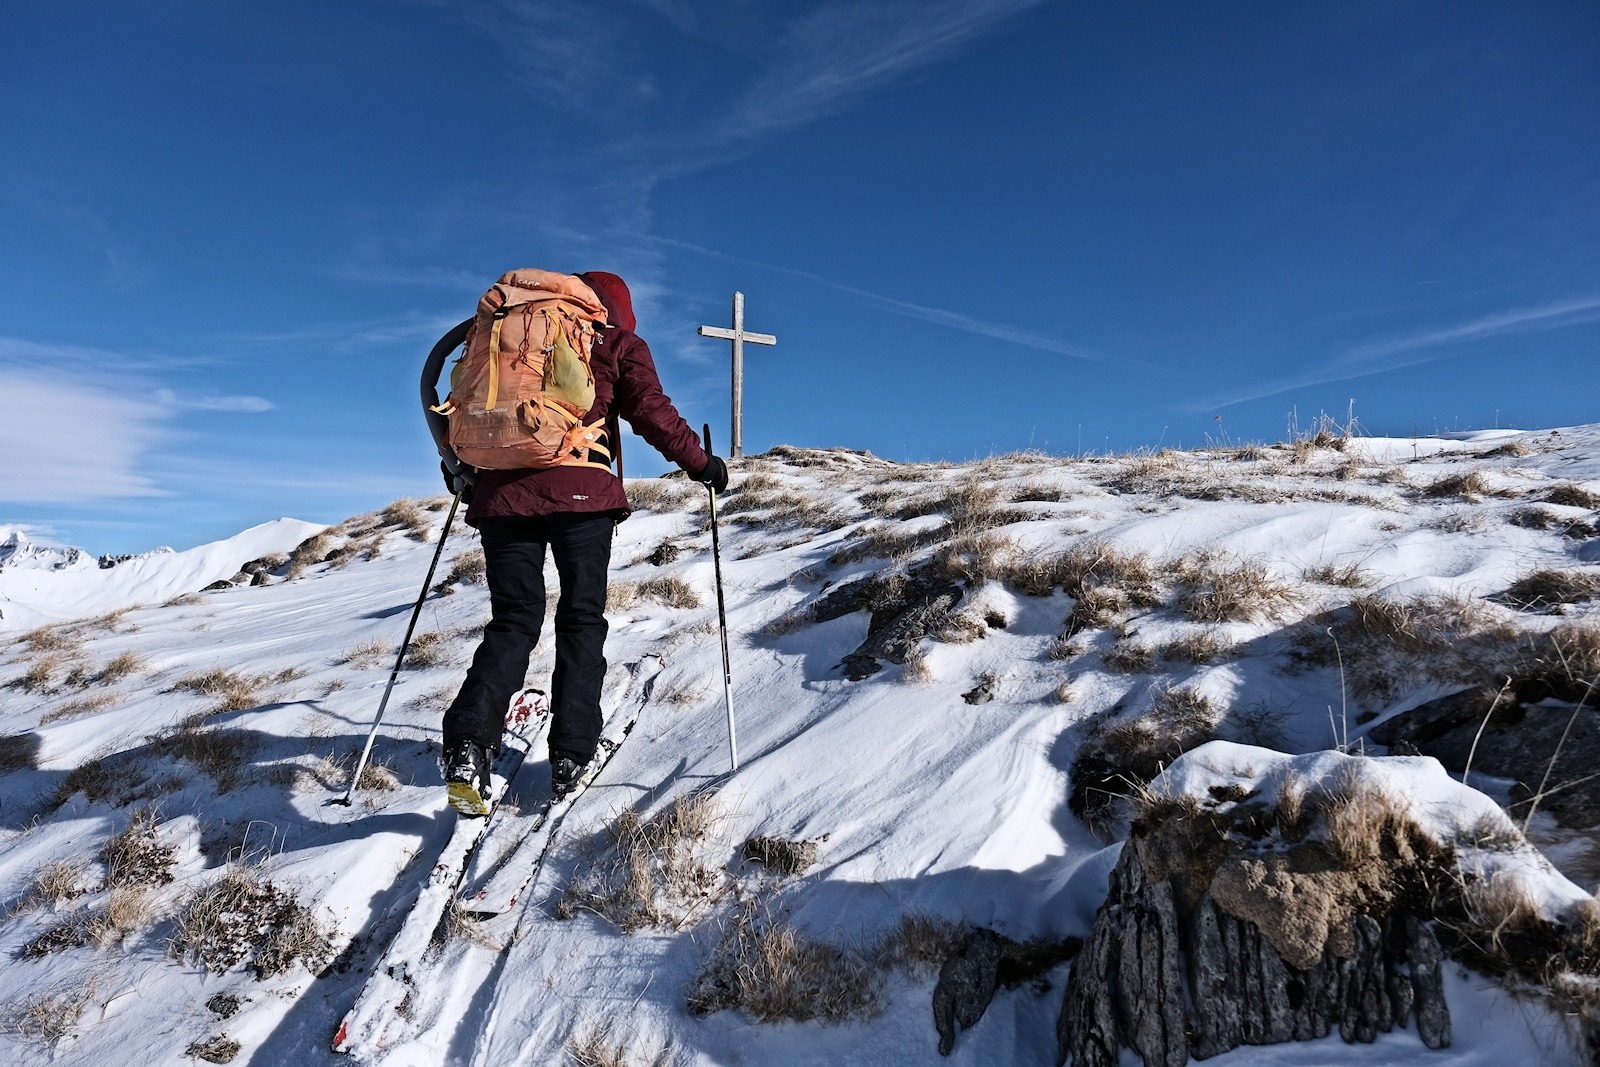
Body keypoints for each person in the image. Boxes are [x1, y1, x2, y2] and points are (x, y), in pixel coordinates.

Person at [439, 270, 728, 815]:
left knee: (514, 620)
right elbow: (653, 416)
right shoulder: (616, 342)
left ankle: (467, 744)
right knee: (580, 617)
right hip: (583, 499)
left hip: (501, 498)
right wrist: (703, 464)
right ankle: (571, 753)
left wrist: (460, 470)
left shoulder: (511, 336)